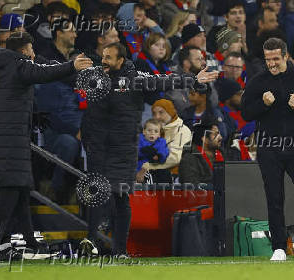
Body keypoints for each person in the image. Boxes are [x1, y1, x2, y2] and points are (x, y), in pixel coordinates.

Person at [82, 42, 218, 256]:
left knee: (120, 196)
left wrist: (193, 79)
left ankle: (119, 249)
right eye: (103, 56)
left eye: (109, 57)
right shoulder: (96, 77)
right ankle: (90, 240)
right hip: (98, 146)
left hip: (124, 149)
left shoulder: (135, 78)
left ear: (120, 60)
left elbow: (164, 80)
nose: (104, 61)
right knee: (97, 192)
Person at [0, 31, 93, 260]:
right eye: (31, 49)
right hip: (11, 142)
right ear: (23, 50)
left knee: (19, 191)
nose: (33, 53)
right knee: (11, 193)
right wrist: (72, 66)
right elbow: (45, 73)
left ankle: (30, 244)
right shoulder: (19, 66)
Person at [241, 37, 294, 261]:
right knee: (275, 198)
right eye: (268, 59)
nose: (272, 63)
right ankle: (279, 247)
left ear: (285, 56)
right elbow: (246, 113)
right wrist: (263, 104)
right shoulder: (257, 81)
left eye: (276, 58)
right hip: (268, 148)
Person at [137, 99, 192, 183]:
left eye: (161, 112)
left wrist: (149, 166)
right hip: (151, 172)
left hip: (175, 176)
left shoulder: (182, 130)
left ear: (170, 112)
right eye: (154, 114)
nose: (157, 117)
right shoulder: (154, 130)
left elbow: (175, 159)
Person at [179, 119, 224, 185]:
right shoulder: (189, 159)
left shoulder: (222, 154)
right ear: (204, 139)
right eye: (215, 135)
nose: (221, 138)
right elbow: (191, 187)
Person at [137, 119, 170, 184]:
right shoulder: (139, 140)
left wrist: (159, 156)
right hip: (141, 167)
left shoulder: (161, 142)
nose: (152, 133)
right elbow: (137, 152)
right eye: (149, 130)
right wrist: (146, 151)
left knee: (165, 172)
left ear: (159, 134)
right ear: (144, 132)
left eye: (156, 131)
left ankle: (166, 189)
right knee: (148, 176)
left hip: (156, 165)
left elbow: (164, 152)